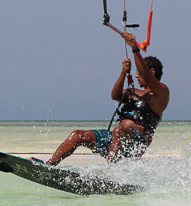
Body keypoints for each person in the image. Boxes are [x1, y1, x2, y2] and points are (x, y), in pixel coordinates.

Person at [40, 33, 170, 166]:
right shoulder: (134, 92)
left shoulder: (161, 93)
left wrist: (134, 48)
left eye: (138, 71)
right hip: (115, 140)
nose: (137, 75)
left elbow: (145, 74)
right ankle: (49, 165)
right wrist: (124, 72)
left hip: (136, 144)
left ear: (152, 72)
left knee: (118, 131)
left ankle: (111, 174)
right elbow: (115, 95)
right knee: (77, 135)